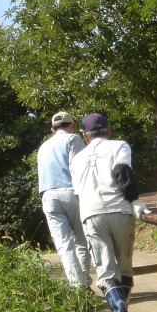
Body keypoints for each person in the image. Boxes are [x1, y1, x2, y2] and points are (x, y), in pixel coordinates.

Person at [70, 113, 150, 312]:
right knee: (124, 269)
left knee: (106, 272)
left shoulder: (76, 158)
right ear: (108, 131)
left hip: (92, 214)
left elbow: (78, 192)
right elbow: (122, 171)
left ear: (84, 136)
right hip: (120, 211)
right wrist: (133, 199)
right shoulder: (119, 146)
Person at [37, 111, 92, 290]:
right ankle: (83, 283)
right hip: (71, 192)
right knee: (81, 241)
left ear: (52, 129)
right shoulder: (73, 139)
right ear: (71, 126)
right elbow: (80, 167)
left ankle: (77, 286)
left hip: (49, 195)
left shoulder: (43, 147)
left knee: (64, 245)